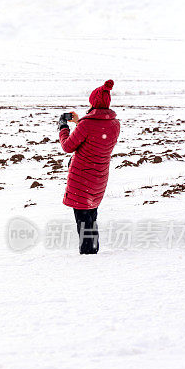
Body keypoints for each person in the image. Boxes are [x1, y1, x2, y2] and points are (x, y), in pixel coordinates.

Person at [57, 80, 121, 254]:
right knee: (91, 217)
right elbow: (95, 137)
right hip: (98, 177)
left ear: (93, 102)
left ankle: (89, 260)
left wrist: (63, 127)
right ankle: (92, 252)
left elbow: (67, 146)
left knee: (84, 221)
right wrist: (80, 122)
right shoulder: (114, 124)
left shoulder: (87, 124)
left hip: (81, 179)